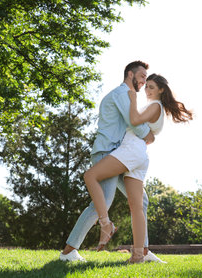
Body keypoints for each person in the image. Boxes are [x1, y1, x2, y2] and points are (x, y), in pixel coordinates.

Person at [60, 61, 164, 263]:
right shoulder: (121, 94)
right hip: (106, 153)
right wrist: (150, 136)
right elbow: (135, 122)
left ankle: (142, 250)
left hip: (119, 155)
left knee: (141, 200)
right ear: (130, 74)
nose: (144, 81)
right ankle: (68, 251)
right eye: (142, 76)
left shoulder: (126, 95)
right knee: (103, 202)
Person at [83, 73, 193, 263]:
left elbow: (133, 120)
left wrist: (132, 98)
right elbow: (141, 129)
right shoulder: (153, 107)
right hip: (138, 154)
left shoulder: (155, 106)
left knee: (90, 176)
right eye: (146, 86)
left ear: (161, 90)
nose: (147, 90)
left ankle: (105, 224)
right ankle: (137, 256)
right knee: (136, 208)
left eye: (151, 87)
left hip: (131, 152)